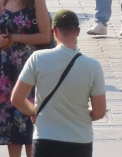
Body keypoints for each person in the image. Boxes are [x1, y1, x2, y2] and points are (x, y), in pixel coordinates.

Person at [10, 9, 106, 157]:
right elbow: (99, 112)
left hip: (45, 139)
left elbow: (17, 98)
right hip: (80, 141)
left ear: (54, 31)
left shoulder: (38, 58)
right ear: (78, 32)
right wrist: (81, 113)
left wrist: (33, 111)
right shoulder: (93, 66)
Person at [0, 0, 52, 157]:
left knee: (30, 122)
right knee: (10, 122)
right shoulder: (3, 1)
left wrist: (16, 38)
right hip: (6, 67)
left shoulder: (36, 1)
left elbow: (45, 36)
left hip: (30, 65)